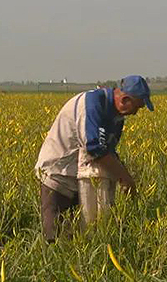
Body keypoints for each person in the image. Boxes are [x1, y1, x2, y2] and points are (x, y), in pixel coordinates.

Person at [35, 75, 154, 242]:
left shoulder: (116, 116)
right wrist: (125, 178)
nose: (135, 113)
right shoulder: (92, 104)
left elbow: (109, 151)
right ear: (125, 99)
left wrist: (122, 175)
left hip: (83, 178)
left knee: (82, 238)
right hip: (58, 175)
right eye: (137, 107)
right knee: (55, 239)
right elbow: (95, 149)